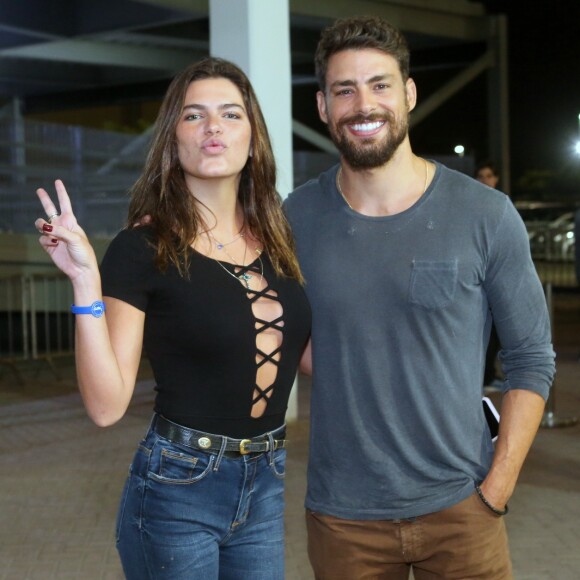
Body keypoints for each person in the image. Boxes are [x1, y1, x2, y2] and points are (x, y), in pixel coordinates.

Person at [284, 16, 555, 579]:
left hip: (463, 511)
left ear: (408, 93)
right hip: (344, 519)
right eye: (345, 89)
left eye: (380, 84)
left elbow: (531, 361)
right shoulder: (297, 219)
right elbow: (285, 340)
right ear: (322, 107)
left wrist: (495, 489)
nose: (364, 104)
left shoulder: (484, 214)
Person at [34, 57, 311, 579]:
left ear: (253, 139)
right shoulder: (142, 248)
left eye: (231, 114)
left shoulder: (280, 243)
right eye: (194, 116)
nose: (213, 127)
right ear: (173, 139)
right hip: (178, 487)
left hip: (267, 480)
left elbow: (311, 353)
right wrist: (86, 283)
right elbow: (105, 406)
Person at [475, 160, 503, 390]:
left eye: (488, 175)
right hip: (480, 280)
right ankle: (484, 377)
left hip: (501, 279)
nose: (484, 180)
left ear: (496, 179)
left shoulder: (504, 206)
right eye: (480, 176)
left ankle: (491, 374)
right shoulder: (470, 207)